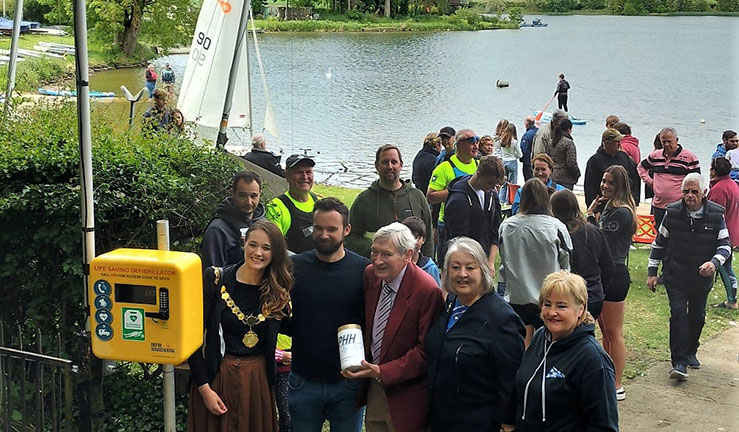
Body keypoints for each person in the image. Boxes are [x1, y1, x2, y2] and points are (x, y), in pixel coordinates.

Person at [187, 219, 292, 432]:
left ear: (276, 252)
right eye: (253, 244)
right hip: (217, 377)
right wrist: (204, 389)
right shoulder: (216, 279)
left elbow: (301, 330)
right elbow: (192, 338)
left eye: (266, 247)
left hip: (257, 382)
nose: (258, 252)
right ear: (244, 242)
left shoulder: (278, 291)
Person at [342, 223, 443, 432]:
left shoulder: (426, 290)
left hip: (407, 394)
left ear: (407, 255)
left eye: (386, 254)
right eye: (374, 251)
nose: (377, 260)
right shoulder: (371, 275)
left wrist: (382, 371)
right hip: (375, 388)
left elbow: (426, 352)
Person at [286, 197, 369, 432]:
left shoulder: (363, 271)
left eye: (332, 229)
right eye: (319, 228)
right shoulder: (294, 267)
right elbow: (279, 315)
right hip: (304, 379)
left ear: (347, 229)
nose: (324, 235)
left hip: (348, 382)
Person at [425, 237, 525, 432]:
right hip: (441, 419)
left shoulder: (502, 320)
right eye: (455, 267)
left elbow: (511, 381)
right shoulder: (451, 303)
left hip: (478, 422)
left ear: (484, 270)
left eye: (470, 267)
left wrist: (508, 424)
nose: (462, 274)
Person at [647, 173, 731, 380]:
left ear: (704, 193)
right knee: (677, 313)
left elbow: (725, 246)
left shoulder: (716, 215)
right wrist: (652, 272)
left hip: (701, 278)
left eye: (694, 192)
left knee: (697, 315)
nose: (689, 196)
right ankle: (679, 361)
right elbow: (659, 243)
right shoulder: (672, 212)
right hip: (675, 274)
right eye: (686, 191)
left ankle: (691, 350)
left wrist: (713, 263)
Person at [515, 271, 618, 432]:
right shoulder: (539, 337)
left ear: (581, 309)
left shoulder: (593, 359)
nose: (551, 312)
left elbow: (604, 426)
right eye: (547, 304)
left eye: (561, 306)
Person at [499, 178, 572, 347]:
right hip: (549, 296)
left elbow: (504, 259)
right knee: (547, 345)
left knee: (520, 345)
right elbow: (567, 264)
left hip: (517, 294)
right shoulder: (557, 227)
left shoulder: (507, 226)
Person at [586, 165, 636, 401]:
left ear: (620, 186)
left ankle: (616, 384)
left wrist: (589, 219)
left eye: (610, 183)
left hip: (614, 273)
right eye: (603, 181)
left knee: (614, 333)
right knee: (604, 330)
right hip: (605, 272)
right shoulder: (609, 207)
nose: (604, 185)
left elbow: (601, 241)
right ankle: (607, 376)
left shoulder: (621, 212)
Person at [347, 145, 434, 258]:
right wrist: (378, 248)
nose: (390, 166)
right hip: (377, 267)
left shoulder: (417, 196)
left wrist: (427, 263)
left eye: (394, 162)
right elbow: (350, 237)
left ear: (401, 165)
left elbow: (428, 235)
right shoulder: (364, 200)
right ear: (376, 166)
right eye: (385, 162)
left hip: (413, 268)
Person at [551, 189, 613, 320]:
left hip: (567, 296)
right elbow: (608, 267)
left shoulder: (556, 234)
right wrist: (601, 291)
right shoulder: (594, 231)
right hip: (593, 295)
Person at [443, 155, 505, 271]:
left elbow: (495, 230)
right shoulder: (458, 200)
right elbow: (458, 240)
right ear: (478, 174)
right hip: (465, 263)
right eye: (490, 183)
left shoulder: (491, 194)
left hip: (484, 259)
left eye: (495, 184)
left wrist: (490, 262)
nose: (493, 188)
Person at [427, 129, 479, 257]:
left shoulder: (479, 165)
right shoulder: (444, 167)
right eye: (471, 141)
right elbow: (430, 196)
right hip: (449, 225)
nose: (476, 145)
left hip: (474, 223)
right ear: (459, 144)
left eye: (477, 140)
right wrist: (458, 191)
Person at [638, 127, 701, 230]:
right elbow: (641, 167)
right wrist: (649, 181)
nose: (666, 145)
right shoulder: (655, 156)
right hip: (658, 205)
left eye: (669, 141)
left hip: (679, 206)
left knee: (677, 234)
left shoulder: (689, 157)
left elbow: (696, 180)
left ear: (676, 140)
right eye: (664, 142)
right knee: (659, 234)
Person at [202, 170, 265, 269]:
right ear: (232, 193)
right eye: (242, 195)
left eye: (253, 196)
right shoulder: (217, 231)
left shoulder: (265, 225)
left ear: (260, 194)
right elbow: (212, 276)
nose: (249, 202)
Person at [265, 154, 317, 253]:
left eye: (308, 172)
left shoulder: (317, 201)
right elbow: (275, 247)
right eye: (299, 172)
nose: (305, 177)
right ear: (287, 176)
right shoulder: (275, 207)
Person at [707, 157, 739, 310]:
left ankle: (731, 300)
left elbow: (713, 214)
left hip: (723, 234)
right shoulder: (732, 185)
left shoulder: (719, 189)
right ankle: (732, 297)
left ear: (714, 170)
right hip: (733, 230)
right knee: (728, 267)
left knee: (724, 267)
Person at [584, 128, 641, 207]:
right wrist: (594, 208)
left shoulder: (624, 156)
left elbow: (634, 178)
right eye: (616, 142)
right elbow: (589, 187)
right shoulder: (594, 161)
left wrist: (635, 200)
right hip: (603, 204)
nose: (619, 144)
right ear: (606, 143)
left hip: (623, 203)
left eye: (619, 141)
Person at [401, 216, 441, 286]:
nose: (412, 242)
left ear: (423, 240)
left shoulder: (429, 268)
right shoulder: (394, 263)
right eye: (407, 237)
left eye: (416, 238)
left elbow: (436, 294)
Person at [494, 122, 523, 203]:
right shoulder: (514, 142)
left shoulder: (501, 140)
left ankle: (501, 201)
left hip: (504, 161)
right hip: (512, 162)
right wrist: (515, 156)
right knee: (512, 184)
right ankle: (510, 201)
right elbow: (520, 154)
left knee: (503, 184)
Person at [548, 119, 580, 190]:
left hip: (553, 176)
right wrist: (577, 174)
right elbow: (571, 163)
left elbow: (548, 158)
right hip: (566, 179)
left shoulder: (551, 142)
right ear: (568, 129)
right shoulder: (568, 143)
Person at [519, 116, 538, 181]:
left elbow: (523, 149)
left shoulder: (527, 135)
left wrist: (521, 158)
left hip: (528, 161)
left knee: (528, 179)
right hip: (536, 159)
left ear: (527, 124)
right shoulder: (538, 132)